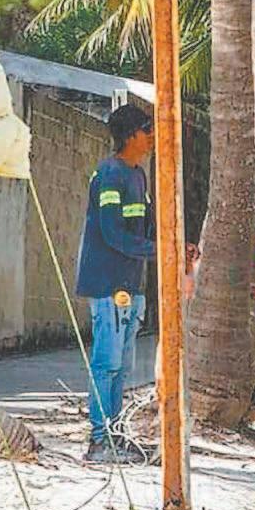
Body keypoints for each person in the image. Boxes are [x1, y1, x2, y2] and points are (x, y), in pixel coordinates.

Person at [75, 103, 157, 464]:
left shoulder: (138, 176)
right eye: (146, 129)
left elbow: (145, 226)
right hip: (109, 285)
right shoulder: (109, 175)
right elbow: (112, 233)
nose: (151, 136)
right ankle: (98, 441)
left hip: (130, 285)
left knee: (121, 367)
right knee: (106, 363)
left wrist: (172, 245)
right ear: (130, 135)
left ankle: (115, 435)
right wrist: (159, 251)